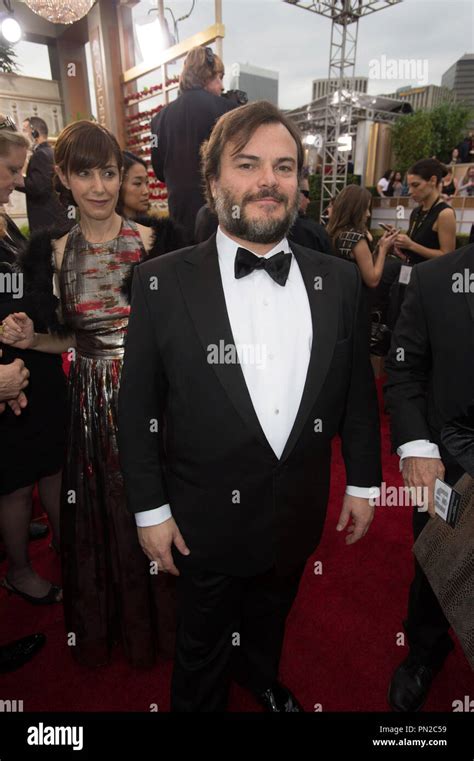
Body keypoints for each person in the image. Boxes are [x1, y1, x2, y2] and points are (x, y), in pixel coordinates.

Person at [118, 100, 382, 712]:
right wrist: (150, 509)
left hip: (296, 511)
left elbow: (356, 400)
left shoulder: (338, 280)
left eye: (284, 166)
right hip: (203, 518)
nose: (269, 180)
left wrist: (364, 483)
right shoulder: (161, 283)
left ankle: (259, 676)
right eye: (249, 164)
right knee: (202, 641)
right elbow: (138, 411)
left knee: (272, 614)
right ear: (214, 181)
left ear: (300, 184)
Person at [1, 120, 176, 668]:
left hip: (149, 396)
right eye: (85, 174)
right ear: (64, 179)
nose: (99, 187)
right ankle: (116, 626)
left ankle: (166, 626)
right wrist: (34, 339)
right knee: (104, 510)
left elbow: (175, 334)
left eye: (109, 173)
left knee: (156, 507)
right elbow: (72, 337)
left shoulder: (152, 242)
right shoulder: (51, 253)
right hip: (89, 400)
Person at [384, 240, 474, 711]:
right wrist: (418, 449)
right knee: (439, 566)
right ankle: (425, 650)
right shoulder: (436, 279)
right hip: (451, 464)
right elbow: (404, 374)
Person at [0, 116, 65, 604]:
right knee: (17, 483)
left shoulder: (4, 219)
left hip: (34, 357)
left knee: (50, 465)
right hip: (8, 377)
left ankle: (61, 542)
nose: (16, 181)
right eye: (10, 170)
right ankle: (19, 570)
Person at [151, 45, 236, 244]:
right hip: (218, 220)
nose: (222, 86)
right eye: (219, 77)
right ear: (206, 74)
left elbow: (159, 172)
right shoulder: (227, 111)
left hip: (178, 218)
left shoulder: (158, 120)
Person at [387, 158, 457, 330]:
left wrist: (411, 245)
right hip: (408, 280)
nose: (410, 191)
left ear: (433, 181)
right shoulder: (417, 212)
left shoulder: (445, 214)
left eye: (415, 185)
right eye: (409, 185)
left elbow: (448, 257)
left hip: (428, 286)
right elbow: (416, 251)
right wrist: (400, 247)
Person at [116, 150, 184, 258]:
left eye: (147, 182)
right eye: (137, 183)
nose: (146, 191)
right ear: (117, 185)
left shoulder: (165, 235)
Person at [17, 116, 72, 234]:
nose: (22, 135)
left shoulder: (40, 155)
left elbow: (38, 186)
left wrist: (14, 179)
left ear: (35, 133)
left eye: (24, 131)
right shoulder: (50, 152)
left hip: (44, 222)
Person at [287, 176, 333, 254]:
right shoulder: (315, 231)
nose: (308, 201)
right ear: (298, 195)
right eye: (307, 195)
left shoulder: (271, 228)